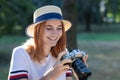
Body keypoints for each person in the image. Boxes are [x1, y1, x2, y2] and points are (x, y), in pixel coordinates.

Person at [8, 5, 88, 80]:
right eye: (49, 28)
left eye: (59, 28)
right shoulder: (21, 53)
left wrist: (81, 75)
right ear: (37, 31)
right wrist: (52, 74)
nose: (55, 34)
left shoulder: (62, 54)